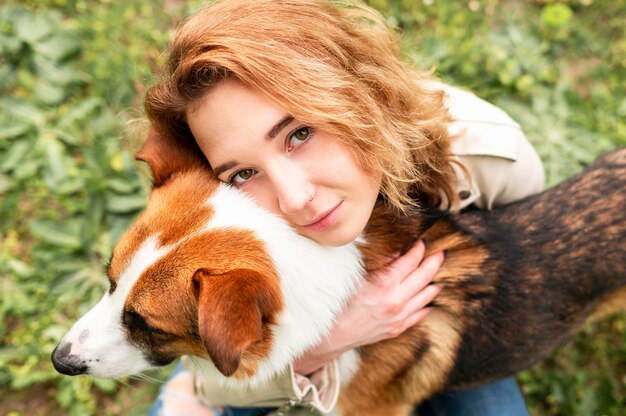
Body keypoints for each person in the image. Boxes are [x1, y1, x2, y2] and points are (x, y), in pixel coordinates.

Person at [142, 1, 545, 415]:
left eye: (299, 133)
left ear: (357, 96)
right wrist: (326, 342)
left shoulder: (491, 156)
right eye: (243, 173)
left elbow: (530, 252)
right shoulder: (232, 217)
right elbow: (222, 378)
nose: (295, 199)